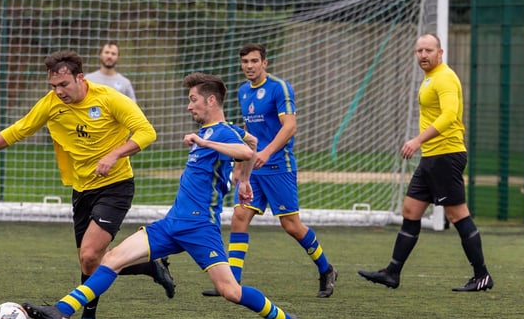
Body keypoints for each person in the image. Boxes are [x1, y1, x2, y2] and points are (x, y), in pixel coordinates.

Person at [22, 72, 316, 319]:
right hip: (173, 222)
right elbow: (250, 141)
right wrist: (245, 180)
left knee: (231, 291)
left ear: (211, 101)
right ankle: (62, 310)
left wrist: (206, 143)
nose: (189, 107)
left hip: (201, 227)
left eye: (193, 100)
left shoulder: (222, 133)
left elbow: (245, 150)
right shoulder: (223, 131)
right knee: (111, 259)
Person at [0, 50, 175, 319]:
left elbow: (146, 132)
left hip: (116, 185)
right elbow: (18, 130)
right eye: (53, 86)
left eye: (64, 85)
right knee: (90, 261)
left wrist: (114, 155)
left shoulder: (109, 99)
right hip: (81, 189)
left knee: (91, 253)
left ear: (80, 78)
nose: (58, 92)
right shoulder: (51, 104)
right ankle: (149, 267)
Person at [358, 33, 494, 292]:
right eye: (419, 50)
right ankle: (392, 273)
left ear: (440, 52)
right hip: (432, 158)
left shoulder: (444, 77)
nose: (423, 55)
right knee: (410, 210)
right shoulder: (430, 78)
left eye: (428, 50)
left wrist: (418, 140)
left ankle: (482, 275)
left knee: (457, 214)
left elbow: (450, 116)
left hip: (445, 155)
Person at [202, 42, 337, 298]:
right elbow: (249, 135)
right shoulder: (243, 92)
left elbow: (290, 127)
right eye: (245, 62)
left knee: (291, 226)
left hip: (279, 167)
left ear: (265, 62)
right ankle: (233, 283)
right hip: (255, 169)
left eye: (254, 61)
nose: (249, 66)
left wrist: (266, 152)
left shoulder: (279, 88)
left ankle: (326, 268)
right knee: (239, 217)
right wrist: (242, 167)